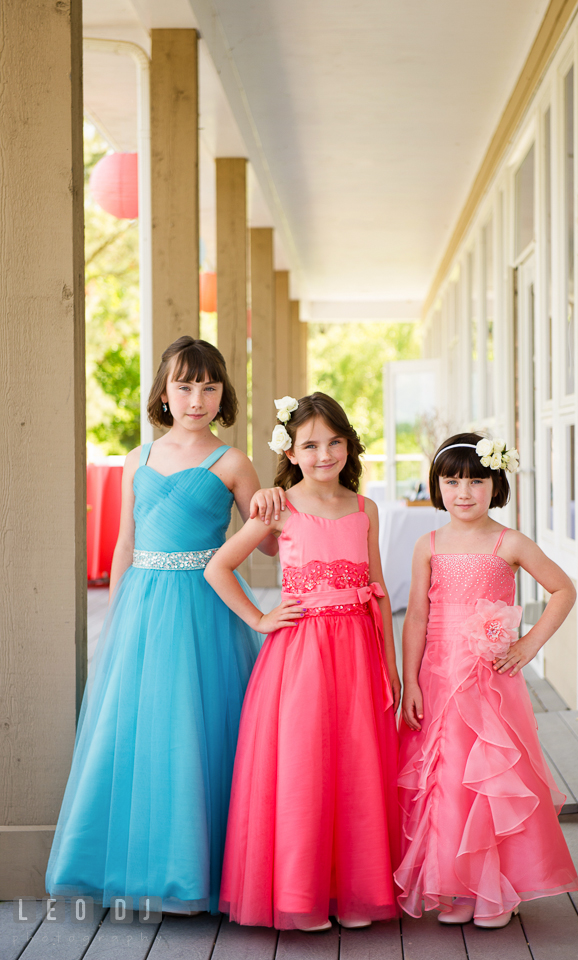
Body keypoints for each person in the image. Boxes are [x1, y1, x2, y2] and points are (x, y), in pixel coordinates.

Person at [47, 336, 283, 915]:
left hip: (206, 607)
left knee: (200, 730)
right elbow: (126, 544)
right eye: (184, 385)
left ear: (222, 393)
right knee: (140, 733)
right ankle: (139, 871)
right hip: (144, 609)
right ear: (163, 391)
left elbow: (272, 548)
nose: (196, 398)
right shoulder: (138, 458)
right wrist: (119, 615)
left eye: (208, 386)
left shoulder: (232, 462)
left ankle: (201, 874)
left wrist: (274, 504)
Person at [205, 393, 401, 931]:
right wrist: (260, 617)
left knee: (356, 767)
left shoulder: (366, 509)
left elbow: (377, 591)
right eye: (310, 444)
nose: (323, 454)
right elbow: (219, 568)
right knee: (303, 770)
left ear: (348, 446)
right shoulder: (277, 506)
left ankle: (355, 891)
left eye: (334, 442)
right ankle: (300, 894)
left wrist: (392, 665)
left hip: (360, 653)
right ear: (290, 451)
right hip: (301, 656)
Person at [396, 433, 578, 928]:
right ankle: (456, 886)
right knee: (449, 779)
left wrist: (528, 645)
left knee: (490, 781)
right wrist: (409, 682)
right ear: (438, 486)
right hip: (437, 677)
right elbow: (416, 616)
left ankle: (497, 889)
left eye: (476, 480)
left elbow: (563, 589)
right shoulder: (427, 545)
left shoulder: (510, 542)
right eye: (452, 480)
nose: (463, 491)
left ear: (495, 483)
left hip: (488, 684)